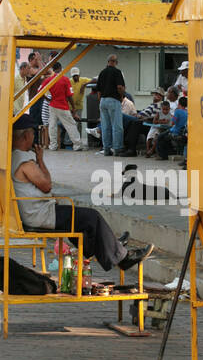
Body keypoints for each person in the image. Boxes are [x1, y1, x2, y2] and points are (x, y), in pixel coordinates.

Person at [10, 116, 152, 271]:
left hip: (36, 212)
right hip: (40, 215)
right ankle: (122, 257)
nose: (34, 137)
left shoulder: (15, 157)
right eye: (32, 133)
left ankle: (110, 245)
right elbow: (47, 185)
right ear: (26, 136)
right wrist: (41, 160)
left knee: (80, 218)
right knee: (92, 216)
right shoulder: (24, 161)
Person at [47, 62, 84, 151]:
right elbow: (69, 95)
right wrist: (73, 107)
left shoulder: (49, 80)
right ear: (60, 68)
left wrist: (49, 100)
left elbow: (39, 90)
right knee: (71, 124)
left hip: (52, 106)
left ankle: (53, 146)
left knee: (52, 125)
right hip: (63, 106)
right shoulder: (65, 79)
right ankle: (77, 145)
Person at [96, 53, 126, 156]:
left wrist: (101, 101)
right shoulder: (117, 72)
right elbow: (119, 87)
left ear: (108, 62)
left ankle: (106, 149)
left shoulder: (102, 72)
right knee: (117, 126)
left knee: (105, 126)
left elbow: (98, 91)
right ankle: (117, 148)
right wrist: (122, 96)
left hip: (103, 101)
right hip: (113, 100)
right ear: (116, 62)